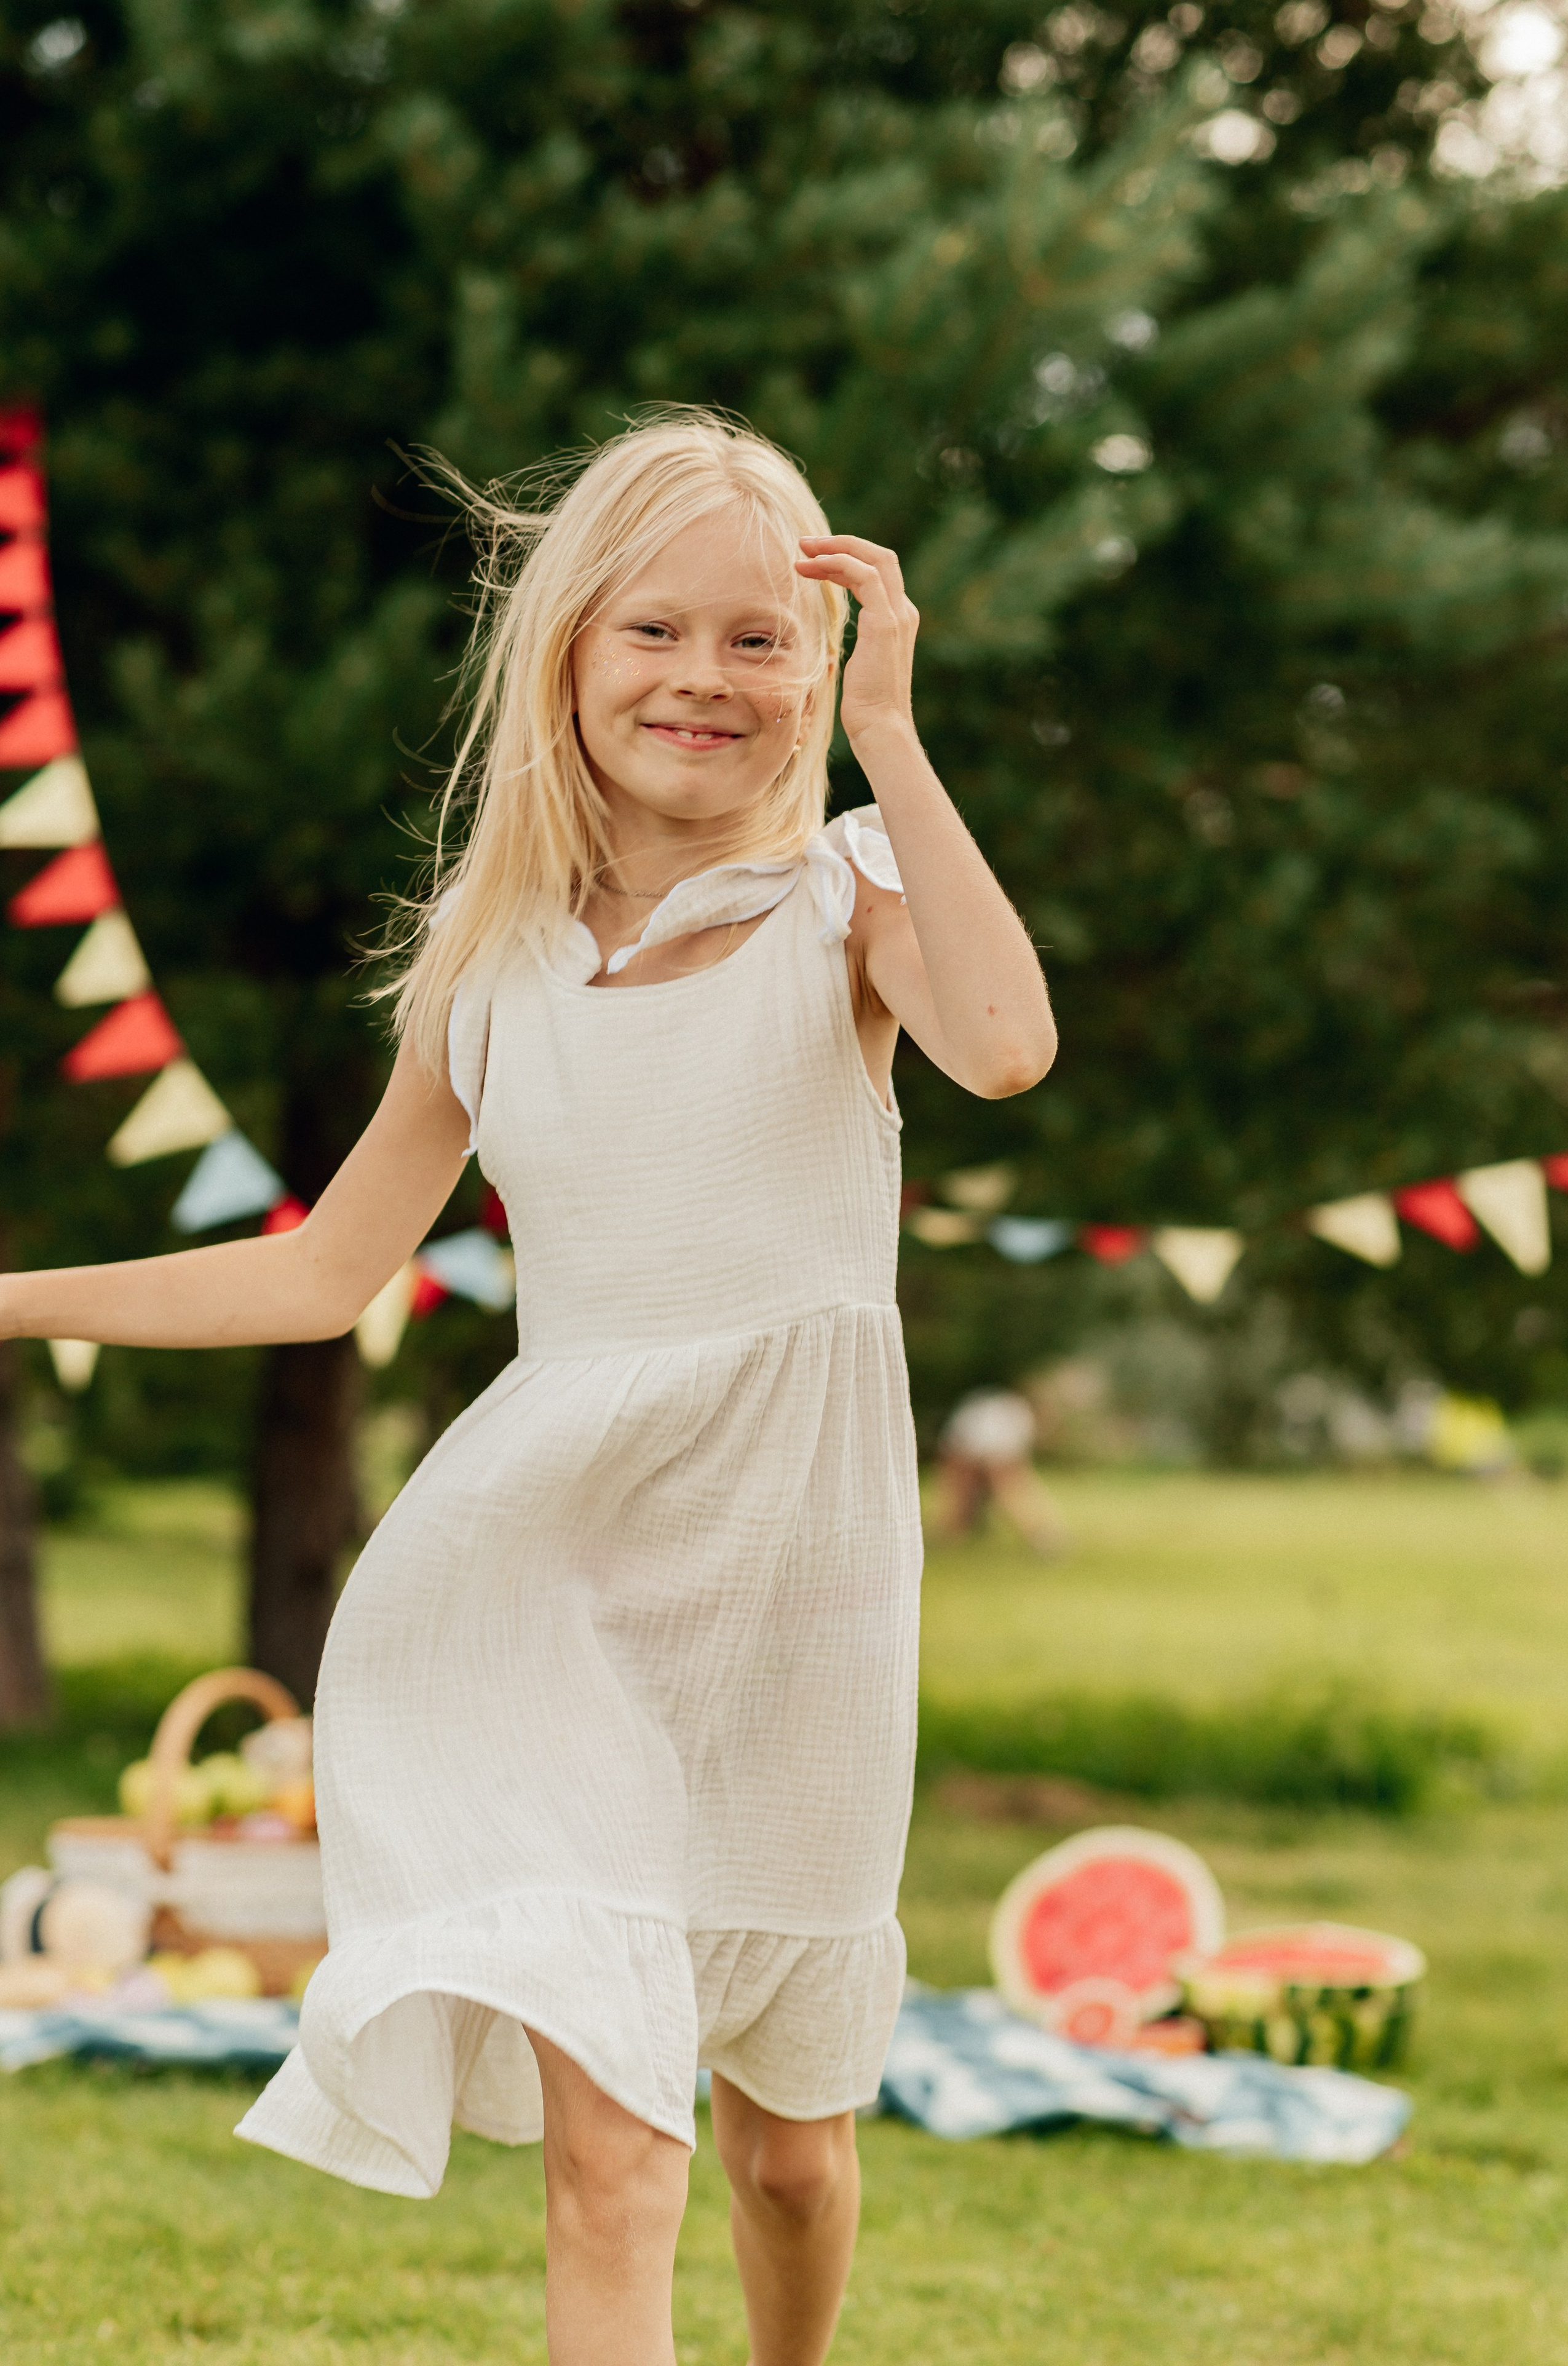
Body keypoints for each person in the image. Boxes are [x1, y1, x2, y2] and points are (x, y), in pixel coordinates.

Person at [1, 412, 1056, 2365]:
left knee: (788, 2153)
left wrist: (896, 744)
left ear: (819, 667)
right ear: (566, 650)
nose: (702, 676)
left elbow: (1002, 1045)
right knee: (614, 2155)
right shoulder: (484, 968)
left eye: (760, 639)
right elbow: (317, 1273)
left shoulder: (844, 901)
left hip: (797, 1598)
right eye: (654, 628)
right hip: (543, 1586)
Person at [932, 1387, 1069, 1557]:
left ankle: (953, 1537)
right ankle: (1041, 1536)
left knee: (970, 1499)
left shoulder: (1010, 1409)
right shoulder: (1019, 1415)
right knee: (1008, 1495)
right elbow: (999, 1458)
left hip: (967, 1447)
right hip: (969, 1450)